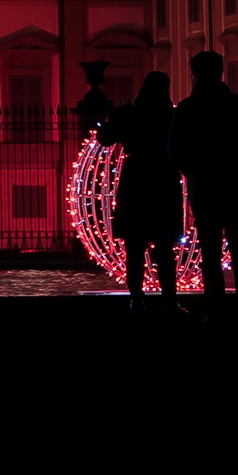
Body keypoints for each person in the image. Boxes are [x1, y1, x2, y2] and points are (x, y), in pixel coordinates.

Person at [167, 50, 238, 318]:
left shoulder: (188, 108)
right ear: (221, 72)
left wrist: (192, 170)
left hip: (205, 187)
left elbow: (174, 149)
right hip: (236, 186)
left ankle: (215, 308)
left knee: (209, 250)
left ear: (195, 74)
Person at [98, 71, 183, 313]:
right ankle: (169, 299)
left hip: (136, 179)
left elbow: (105, 137)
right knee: (165, 248)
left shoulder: (128, 114)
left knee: (134, 247)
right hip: (164, 178)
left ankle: (137, 297)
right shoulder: (172, 114)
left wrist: (111, 120)